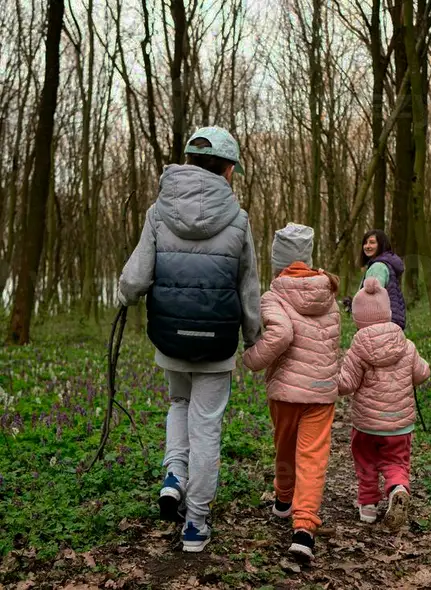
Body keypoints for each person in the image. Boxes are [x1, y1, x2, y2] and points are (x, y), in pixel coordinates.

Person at [115, 126, 261, 553]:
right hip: (217, 342)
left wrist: (125, 295)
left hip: (171, 338)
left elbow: (137, 276)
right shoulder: (238, 219)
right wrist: (252, 335)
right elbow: (248, 286)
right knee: (207, 425)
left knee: (179, 403)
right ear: (228, 170)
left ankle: (174, 475)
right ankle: (195, 524)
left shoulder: (158, 212)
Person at [242, 223, 341, 562]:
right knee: (313, 457)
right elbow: (332, 343)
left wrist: (252, 359)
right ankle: (304, 529)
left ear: (278, 261)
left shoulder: (273, 296)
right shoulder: (328, 295)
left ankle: (284, 499)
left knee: (285, 447)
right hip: (321, 392)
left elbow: (281, 334)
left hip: (286, 392)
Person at [338, 278, 430, 529]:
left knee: (366, 461)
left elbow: (346, 384)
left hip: (366, 425)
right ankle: (398, 488)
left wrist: (328, 376)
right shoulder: (406, 345)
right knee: (396, 462)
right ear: (388, 312)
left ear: (358, 318)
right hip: (399, 426)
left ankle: (368, 506)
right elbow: (422, 373)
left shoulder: (358, 348)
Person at [351, 229, 405, 330]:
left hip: (378, 324)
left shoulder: (378, 267)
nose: (367, 246)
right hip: (391, 319)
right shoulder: (385, 265)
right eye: (365, 243)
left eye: (372, 242)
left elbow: (372, 300)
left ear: (381, 245)